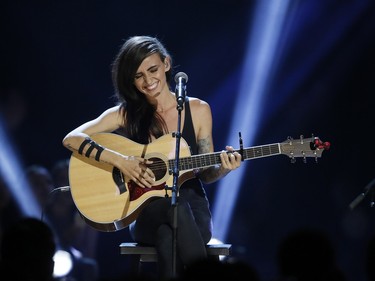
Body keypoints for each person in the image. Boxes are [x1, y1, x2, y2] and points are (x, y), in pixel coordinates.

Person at [62, 35, 242, 280]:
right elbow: (72, 138)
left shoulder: (199, 110)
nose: (148, 81)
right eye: (138, 76)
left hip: (193, 209)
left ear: (166, 64)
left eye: (153, 69)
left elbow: (207, 172)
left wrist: (224, 168)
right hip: (145, 212)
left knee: (168, 237)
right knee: (170, 211)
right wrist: (120, 160)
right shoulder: (125, 114)